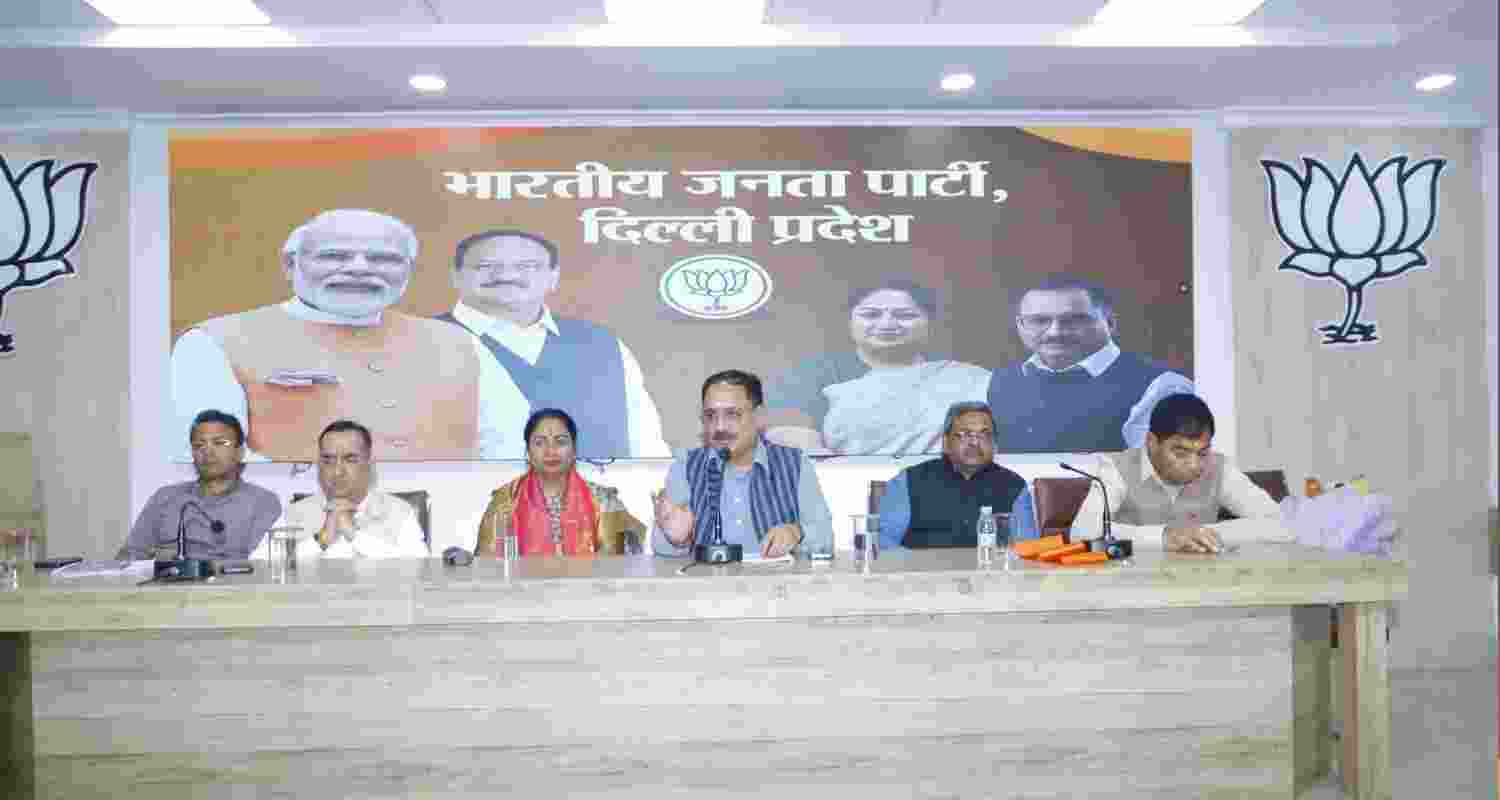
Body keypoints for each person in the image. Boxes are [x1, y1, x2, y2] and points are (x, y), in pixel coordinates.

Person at [171, 209, 527, 462]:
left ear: (408, 270)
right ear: (290, 264)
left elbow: (510, 446)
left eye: (383, 259)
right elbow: (203, 457)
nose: (359, 268)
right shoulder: (214, 342)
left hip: (448, 535)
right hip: (289, 536)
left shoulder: (460, 343)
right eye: (335, 255)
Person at [437, 229, 669, 458]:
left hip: (598, 493)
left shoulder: (601, 343)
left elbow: (646, 442)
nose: (506, 275)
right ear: (455, 276)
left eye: (526, 266)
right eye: (486, 266)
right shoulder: (426, 340)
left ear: (553, 278)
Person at [765, 277, 991, 455]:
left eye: (904, 315)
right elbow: (793, 439)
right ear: (850, 321)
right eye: (871, 315)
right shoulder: (812, 374)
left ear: (928, 321)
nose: (887, 324)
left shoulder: (964, 377)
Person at [985, 275, 1193, 453]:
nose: (1055, 332)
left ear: (1110, 323)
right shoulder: (992, 384)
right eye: (1040, 321)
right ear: (1020, 326)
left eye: (1074, 320)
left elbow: (1160, 482)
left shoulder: (1162, 387)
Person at [1071, 393, 1288, 553]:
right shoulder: (1116, 468)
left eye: (1202, 452)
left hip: (1204, 588)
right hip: (1131, 589)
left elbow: (1280, 525)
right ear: (1152, 442)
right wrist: (1165, 537)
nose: (1194, 465)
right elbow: (1082, 532)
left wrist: (1201, 534)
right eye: (1181, 452)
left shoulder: (1219, 467)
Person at [652, 370, 833, 558]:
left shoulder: (795, 464)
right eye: (711, 415)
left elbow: (825, 539)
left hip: (777, 585)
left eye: (732, 414)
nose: (720, 426)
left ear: (759, 416)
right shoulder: (686, 467)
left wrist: (796, 533)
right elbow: (660, 548)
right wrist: (676, 539)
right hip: (707, 586)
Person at [474, 408, 645, 557]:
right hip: (521, 594)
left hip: (587, 593)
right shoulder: (505, 501)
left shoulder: (603, 502)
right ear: (527, 451)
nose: (551, 451)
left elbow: (612, 570)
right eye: (540, 442)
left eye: (560, 441)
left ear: (574, 449)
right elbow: (487, 568)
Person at [252, 419, 428, 560]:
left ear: (369, 465)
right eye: (328, 460)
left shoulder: (399, 511)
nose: (337, 471)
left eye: (350, 459)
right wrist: (320, 540)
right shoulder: (296, 512)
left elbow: (418, 571)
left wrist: (354, 535)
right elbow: (259, 567)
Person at [118, 410, 281, 560]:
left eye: (219, 443)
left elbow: (262, 565)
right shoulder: (165, 498)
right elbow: (129, 557)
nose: (207, 452)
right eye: (199, 445)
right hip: (165, 587)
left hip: (228, 590)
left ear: (240, 452)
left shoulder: (262, 502)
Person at [877, 401, 1039, 550]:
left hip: (990, 577)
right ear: (946, 442)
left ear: (994, 444)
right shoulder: (910, 480)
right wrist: (917, 566)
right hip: (923, 577)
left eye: (984, 435)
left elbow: (1027, 547)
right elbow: (882, 540)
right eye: (964, 434)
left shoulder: (1014, 486)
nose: (974, 442)